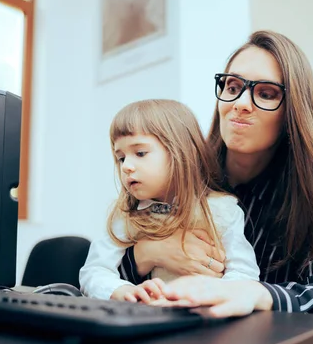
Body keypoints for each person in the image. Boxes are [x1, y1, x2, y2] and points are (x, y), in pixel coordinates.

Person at [118, 30, 313, 317]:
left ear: (293, 112)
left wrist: (255, 292)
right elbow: (107, 270)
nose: (240, 103)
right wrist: (149, 254)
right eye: (232, 86)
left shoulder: (311, 191)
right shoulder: (178, 173)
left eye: (266, 93)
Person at [79, 99, 260, 302]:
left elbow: (245, 275)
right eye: (121, 157)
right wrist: (121, 290)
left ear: (180, 152)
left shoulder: (223, 210)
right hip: (147, 321)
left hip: (205, 322)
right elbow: (94, 271)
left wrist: (212, 296)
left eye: (140, 153)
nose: (126, 166)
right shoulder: (125, 216)